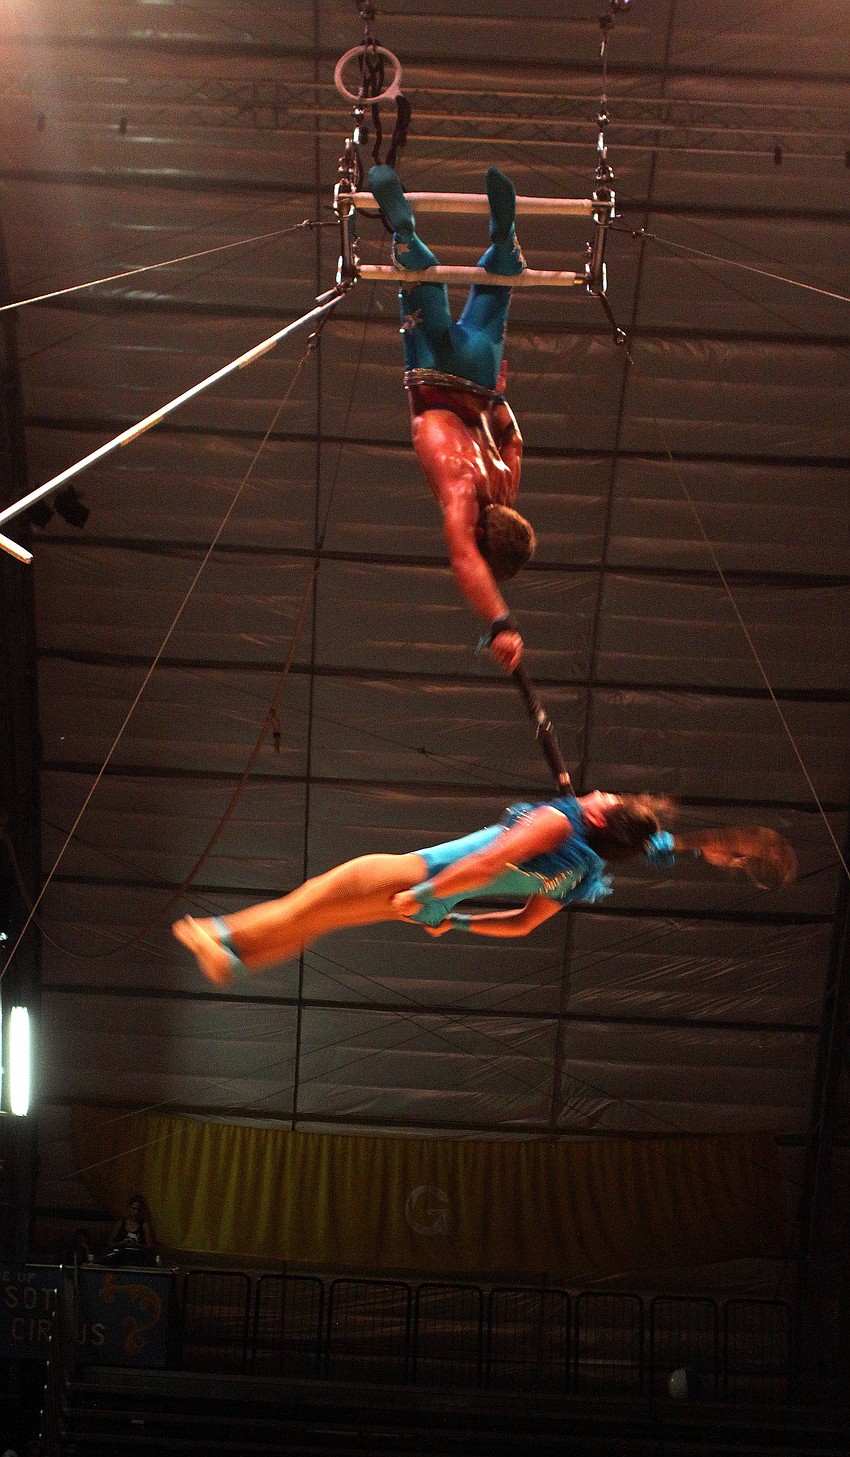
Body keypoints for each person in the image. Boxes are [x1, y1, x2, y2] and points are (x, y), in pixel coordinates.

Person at [172, 793, 797, 984]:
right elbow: (523, 923)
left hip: (418, 877)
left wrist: (426, 895)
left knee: (310, 900)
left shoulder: (558, 823)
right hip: (433, 904)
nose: (600, 792)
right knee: (319, 923)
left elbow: (486, 861)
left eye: (607, 798)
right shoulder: (582, 871)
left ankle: (217, 933)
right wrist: (455, 921)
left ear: (600, 818)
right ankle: (235, 957)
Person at [369, 163, 534, 673]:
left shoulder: (505, 486)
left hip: (481, 377)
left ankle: (504, 242)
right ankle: (405, 235)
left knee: (496, 289)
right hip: (435, 374)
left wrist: (498, 399)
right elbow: (463, 558)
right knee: (422, 282)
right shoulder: (464, 491)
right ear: (484, 538)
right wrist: (500, 623)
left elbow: (515, 443)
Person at [104, 1194, 157, 1265]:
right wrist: (122, 1243)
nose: (136, 1212)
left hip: (138, 1258)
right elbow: (109, 1244)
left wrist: (135, 1244)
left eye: (138, 1210)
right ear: (129, 1208)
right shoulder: (120, 1224)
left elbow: (150, 1247)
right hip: (120, 1257)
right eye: (134, 1209)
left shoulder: (144, 1226)